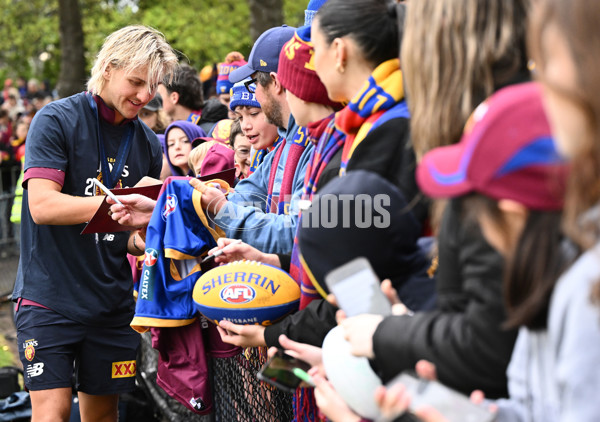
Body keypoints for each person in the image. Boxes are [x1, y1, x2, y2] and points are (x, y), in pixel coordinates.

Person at [333, 0, 531, 399]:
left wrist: (388, 333)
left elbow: (491, 347)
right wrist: (415, 318)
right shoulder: (506, 128)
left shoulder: (498, 150)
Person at [12, 25, 178, 422]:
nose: (143, 96)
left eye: (151, 86)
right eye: (135, 82)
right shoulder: (55, 120)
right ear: (107, 68)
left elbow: (131, 239)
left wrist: (149, 231)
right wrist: (118, 202)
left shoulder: (146, 142)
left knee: (103, 417)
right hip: (49, 299)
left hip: (111, 306)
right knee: (51, 414)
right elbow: (42, 205)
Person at [215, 51, 247, 118]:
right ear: (219, 98)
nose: (230, 107)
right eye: (226, 100)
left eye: (235, 98)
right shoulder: (215, 126)